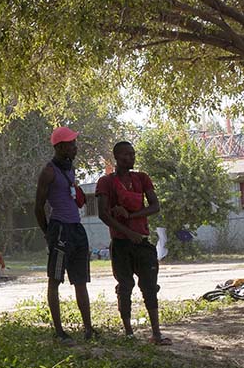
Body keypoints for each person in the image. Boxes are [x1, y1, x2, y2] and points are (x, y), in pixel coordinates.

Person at [96, 141, 170, 344]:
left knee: (150, 285)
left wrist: (131, 215)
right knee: (125, 285)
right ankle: (128, 332)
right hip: (121, 243)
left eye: (133, 154)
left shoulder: (141, 178)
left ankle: (156, 333)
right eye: (127, 155)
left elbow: (155, 206)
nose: (131, 158)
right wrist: (128, 232)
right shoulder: (106, 182)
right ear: (117, 158)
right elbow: (103, 214)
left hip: (142, 241)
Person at [34, 126, 94, 342]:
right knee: (55, 280)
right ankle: (59, 331)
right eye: (71, 144)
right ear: (59, 147)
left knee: (80, 280)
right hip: (60, 228)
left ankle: (88, 328)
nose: (75, 147)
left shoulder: (69, 169)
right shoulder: (49, 171)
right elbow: (38, 206)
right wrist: (48, 232)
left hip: (76, 228)